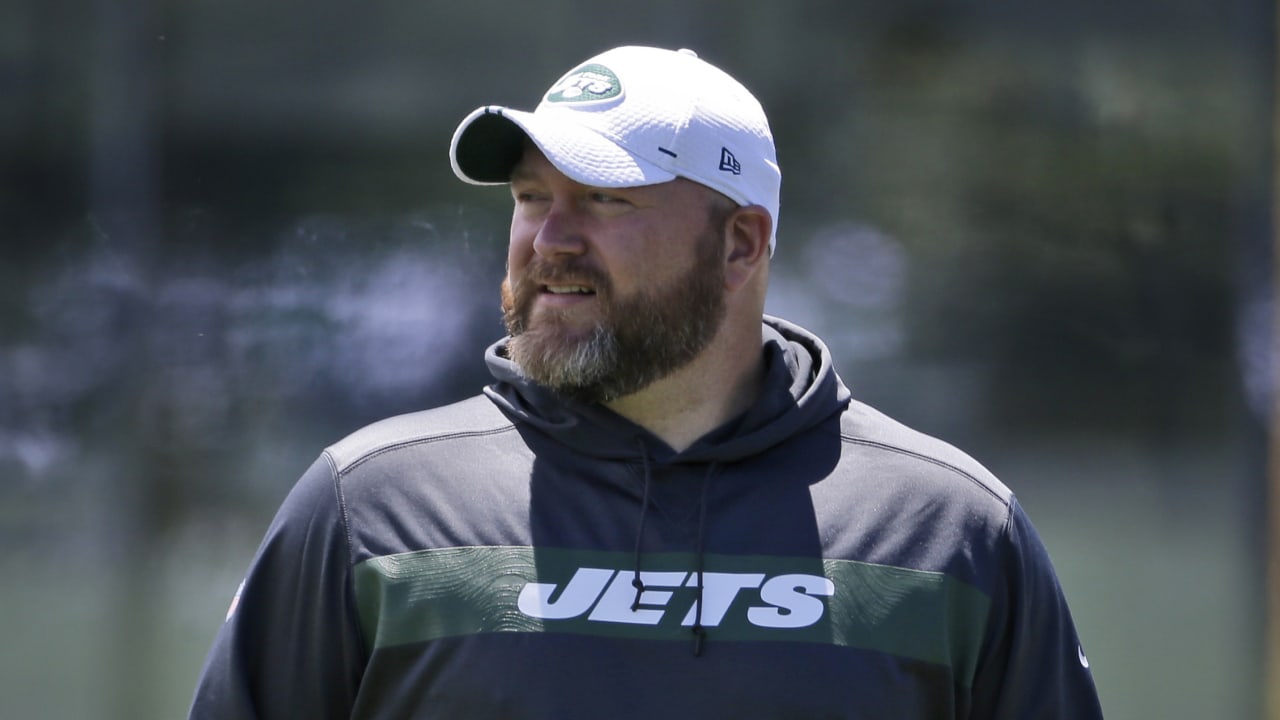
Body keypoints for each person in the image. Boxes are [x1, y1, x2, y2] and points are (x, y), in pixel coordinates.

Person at [188, 45, 1104, 719]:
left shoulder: (950, 532)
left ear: (740, 243)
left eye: (605, 198)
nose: (550, 241)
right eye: (531, 197)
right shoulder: (368, 506)